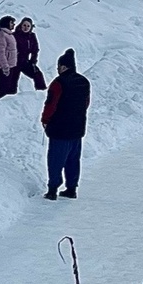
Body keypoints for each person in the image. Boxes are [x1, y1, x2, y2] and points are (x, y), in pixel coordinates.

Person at [41, 49, 91, 199]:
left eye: (59, 66)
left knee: (56, 159)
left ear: (63, 67)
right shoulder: (84, 82)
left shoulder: (58, 83)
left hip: (60, 129)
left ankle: (52, 190)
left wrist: (45, 120)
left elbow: (51, 104)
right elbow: (86, 103)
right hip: (77, 128)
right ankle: (71, 188)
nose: (57, 69)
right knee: (73, 159)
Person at [14, 18, 45, 92]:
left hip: (25, 61)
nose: (26, 27)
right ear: (21, 25)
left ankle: (41, 93)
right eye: (24, 25)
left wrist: (33, 61)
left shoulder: (32, 36)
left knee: (38, 74)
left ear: (31, 27)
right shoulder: (15, 35)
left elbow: (35, 50)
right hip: (14, 61)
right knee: (13, 81)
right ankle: (9, 98)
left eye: (28, 26)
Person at [0, 17, 19, 97]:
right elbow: (0, 53)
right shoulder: (2, 35)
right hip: (5, 66)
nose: (13, 25)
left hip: (11, 65)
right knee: (4, 87)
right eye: (12, 23)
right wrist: (5, 66)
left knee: (10, 87)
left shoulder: (9, 34)